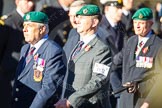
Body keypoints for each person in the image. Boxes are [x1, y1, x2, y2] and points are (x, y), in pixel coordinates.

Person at [55, 4, 112, 108]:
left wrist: (72, 101)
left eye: (82, 18)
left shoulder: (102, 49)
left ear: (94, 22)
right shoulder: (77, 45)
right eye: (77, 17)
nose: (77, 21)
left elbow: (98, 80)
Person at [11, 11, 66, 108]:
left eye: (29, 26)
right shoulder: (25, 49)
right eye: (24, 26)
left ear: (42, 29)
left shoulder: (53, 51)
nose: (25, 30)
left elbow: (49, 88)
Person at [111, 7, 162, 108]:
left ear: (150, 23)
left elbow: (159, 78)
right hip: (125, 101)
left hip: (143, 100)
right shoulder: (131, 41)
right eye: (135, 22)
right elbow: (115, 63)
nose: (137, 26)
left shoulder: (158, 45)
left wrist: (148, 102)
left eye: (141, 23)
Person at [0, 0, 35, 108]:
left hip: (28, 76)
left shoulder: (36, 22)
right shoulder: (7, 22)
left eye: (33, 1)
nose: (31, 4)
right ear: (17, 2)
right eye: (27, 1)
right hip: (9, 76)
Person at [62, 0, 86, 65]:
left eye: (76, 16)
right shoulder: (73, 32)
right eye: (70, 16)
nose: (73, 20)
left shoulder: (97, 34)